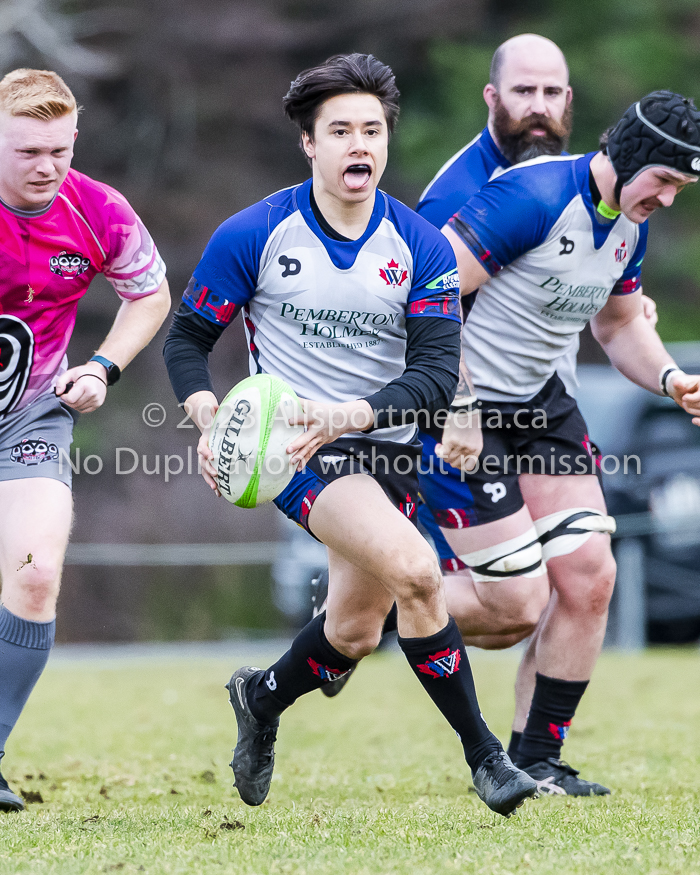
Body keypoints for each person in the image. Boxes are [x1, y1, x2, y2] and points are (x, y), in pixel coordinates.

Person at [164, 53, 537, 817]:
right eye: (339, 131)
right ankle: (489, 759)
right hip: (298, 447)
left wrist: (356, 411)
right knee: (419, 572)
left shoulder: (420, 246)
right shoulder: (255, 233)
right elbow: (186, 341)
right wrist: (210, 416)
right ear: (309, 143)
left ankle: (261, 698)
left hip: (385, 444)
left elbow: (436, 374)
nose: (358, 145)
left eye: (371, 130)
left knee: (355, 630)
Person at [419, 89, 700, 796]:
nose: (669, 199)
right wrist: (455, 399)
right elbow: (430, 290)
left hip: (543, 410)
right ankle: (379, 599)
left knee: (589, 576)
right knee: (515, 604)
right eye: (665, 181)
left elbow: (617, 325)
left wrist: (671, 378)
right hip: (468, 408)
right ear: (630, 157)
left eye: (682, 188)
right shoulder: (533, 196)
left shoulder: (629, 226)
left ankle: (537, 758)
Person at [0, 69, 170, 812]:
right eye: (25, 150)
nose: (44, 167)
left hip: (31, 420)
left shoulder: (98, 210)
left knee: (36, 575)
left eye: (57, 150)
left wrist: (103, 366)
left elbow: (150, 292)